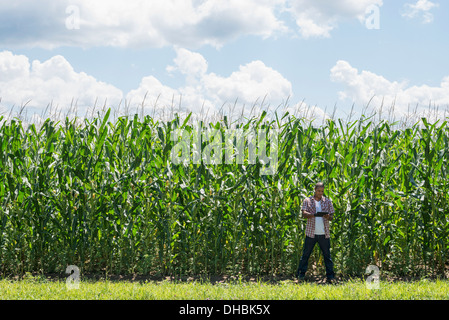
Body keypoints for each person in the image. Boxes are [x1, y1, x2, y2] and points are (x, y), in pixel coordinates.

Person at [296, 182, 335, 283]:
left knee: (327, 256)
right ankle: (300, 276)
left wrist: (327, 216)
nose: (320, 193)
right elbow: (304, 213)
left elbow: (331, 217)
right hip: (311, 233)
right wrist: (314, 215)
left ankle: (330, 277)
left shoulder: (327, 201)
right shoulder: (308, 201)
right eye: (318, 191)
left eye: (322, 191)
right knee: (305, 255)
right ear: (315, 189)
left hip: (324, 234)